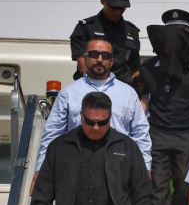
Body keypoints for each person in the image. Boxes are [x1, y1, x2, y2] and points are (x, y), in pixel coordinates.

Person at [31, 36, 151, 192]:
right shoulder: (68, 93)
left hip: (119, 169)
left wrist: (145, 168)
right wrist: (41, 168)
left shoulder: (128, 93)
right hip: (78, 169)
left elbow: (140, 135)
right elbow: (52, 134)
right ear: (85, 58)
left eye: (106, 55)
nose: (100, 59)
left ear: (112, 61)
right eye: (94, 54)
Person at [134, 9, 189, 205]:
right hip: (157, 132)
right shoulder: (150, 67)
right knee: (158, 183)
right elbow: (137, 92)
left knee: (185, 182)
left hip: (188, 134)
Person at [70, 0, 141, 85]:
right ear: (103, 0)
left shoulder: (132, 31)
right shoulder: (85, 28)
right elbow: (83, 67)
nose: (117, 12)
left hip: (121, 89)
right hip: (90, 88)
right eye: (113, 7)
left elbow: (134, 69)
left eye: (121, 8)